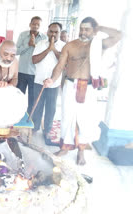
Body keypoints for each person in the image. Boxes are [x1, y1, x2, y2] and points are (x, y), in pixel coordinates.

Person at [44, 17, 121, 165]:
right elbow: (60, 66)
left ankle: (81, 151)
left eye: (87, 29)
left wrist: (101, 28)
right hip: (70, 85)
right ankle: (65, 147)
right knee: (67, 118)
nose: (83, 32)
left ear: (93, 30)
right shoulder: (70, 46)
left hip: (89, 87)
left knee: (85, 120)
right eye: (81, 28)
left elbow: (118, 36)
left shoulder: (99, 45)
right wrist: (52, 80)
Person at [32, 22, 65, 139]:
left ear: (60, 33)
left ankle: (47, 130)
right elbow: (34, 60)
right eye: (51, 31)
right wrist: (48, 49)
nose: (53, 34)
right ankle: (35, 127)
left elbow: (63, 63)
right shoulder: (40, 44)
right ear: (47, 31)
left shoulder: (64, 46)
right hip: (39, 81)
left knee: (51, 108)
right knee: (37, 105)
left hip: (54, 83)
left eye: (56, 32)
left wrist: (54, 49)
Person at [16, 16, 47, 114]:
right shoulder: (22, 35)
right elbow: (16, 51)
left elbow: (44, 53)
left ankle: (30, 117)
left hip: (36, 73)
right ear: (30, 24)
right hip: (22, 71)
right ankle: (18, 114)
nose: (35, 26)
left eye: (38, 24)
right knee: (19, 96)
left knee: (32, 97)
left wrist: (35, 46)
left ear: (40, 26)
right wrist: (28, 45)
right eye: (34, 24)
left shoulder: (44, 38)